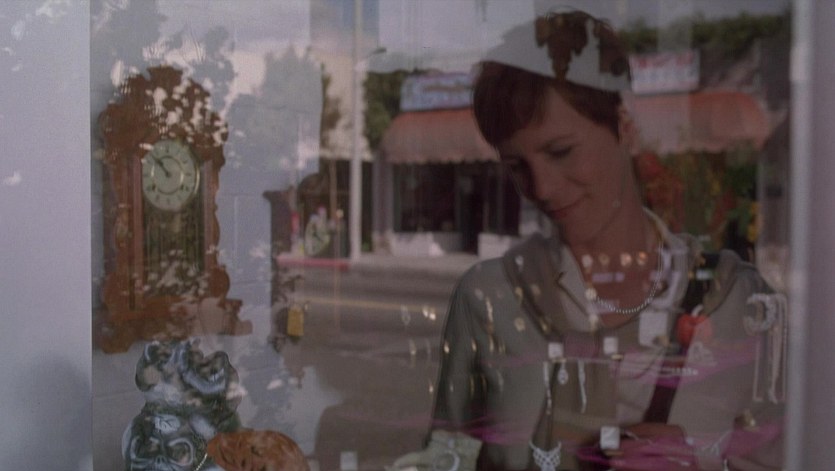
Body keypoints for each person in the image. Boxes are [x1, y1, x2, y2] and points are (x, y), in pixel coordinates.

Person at [392, 9, 786, 471]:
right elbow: (447, 457)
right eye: (517, 166)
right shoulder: (488, 298)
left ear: (624, 127)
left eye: (561, 151)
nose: (542, 188)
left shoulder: (736, 302)